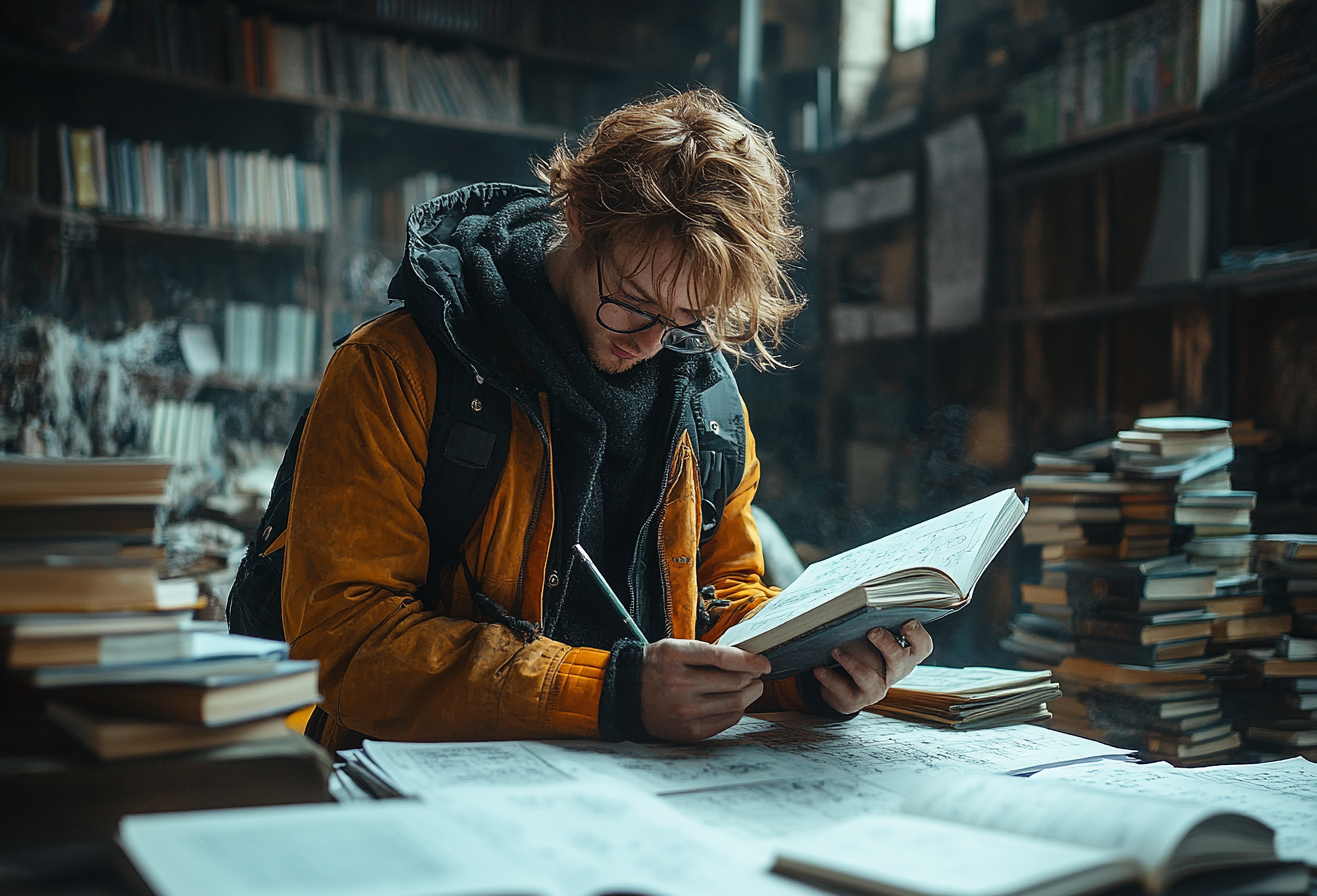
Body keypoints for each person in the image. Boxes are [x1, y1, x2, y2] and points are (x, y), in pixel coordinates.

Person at [281, 89, 933, 752]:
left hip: (646, 799)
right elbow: (346, 644)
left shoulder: (708, 406)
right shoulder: (398, 371)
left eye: (687, 319)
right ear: (577, 217)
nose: (651, 342)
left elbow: (724, 604)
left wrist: (816, 672)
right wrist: (612, 692)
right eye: (632, 302)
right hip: (427, 792)